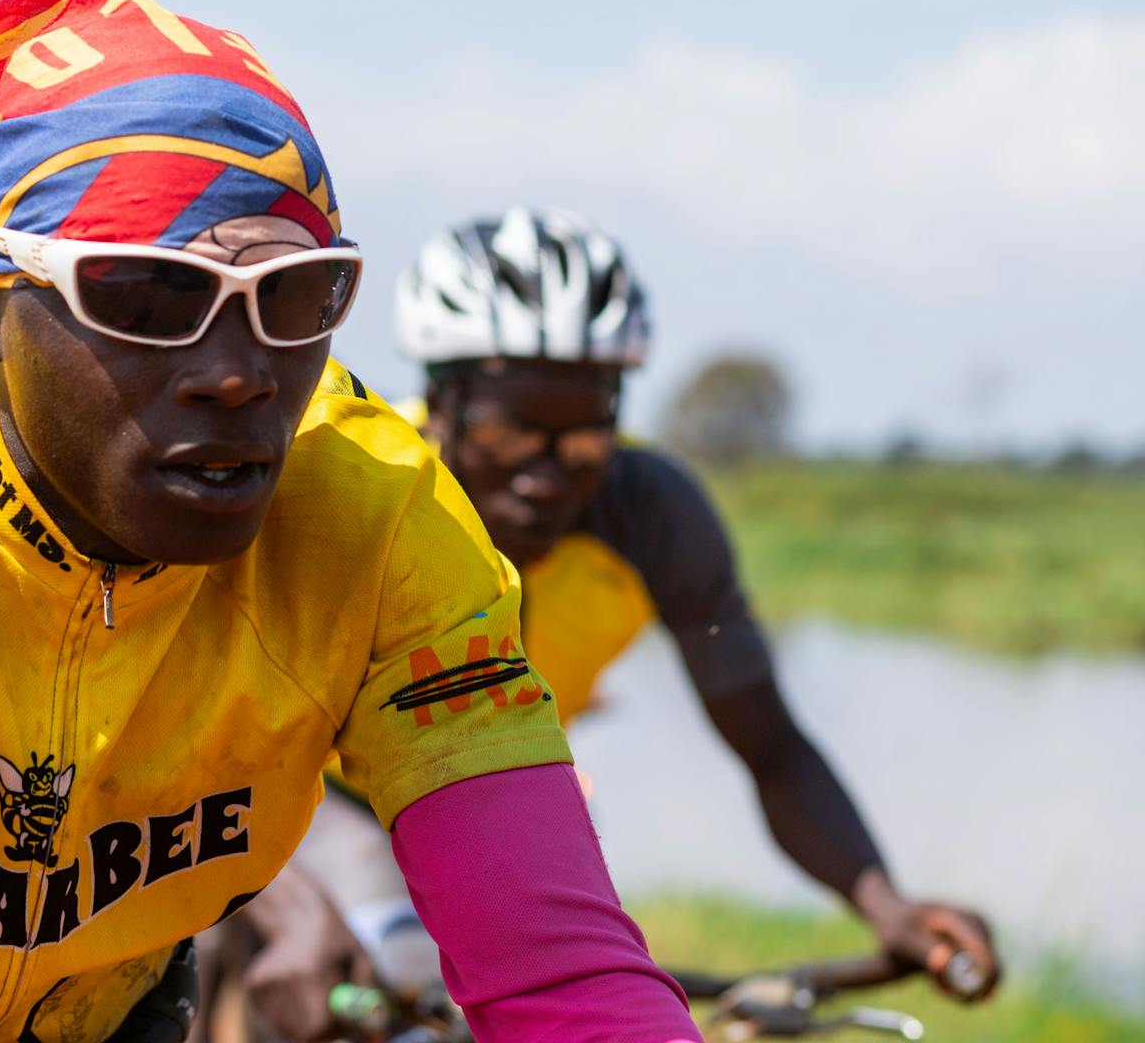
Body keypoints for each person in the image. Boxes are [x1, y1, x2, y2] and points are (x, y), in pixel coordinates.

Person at [0, 0, 699, 1042]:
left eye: (296, 299)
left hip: (92, 1007)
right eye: (151, 294)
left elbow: (558, 971)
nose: (237, 370)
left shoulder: (382, 518)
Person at [221, 209, 1002, 1034]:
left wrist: (886, 903)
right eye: (505, 433)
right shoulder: (355, 492)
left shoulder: (653, 514)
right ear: (439, 404)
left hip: (489, 781)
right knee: (394, 984)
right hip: (312, 798)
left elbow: (771, 746)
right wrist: (290, 903)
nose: (544, 479)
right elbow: (201, 743)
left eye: (584, 443)